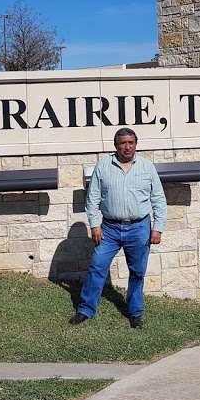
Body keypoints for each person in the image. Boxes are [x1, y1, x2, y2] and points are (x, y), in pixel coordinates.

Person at [71, 128, 167, 329]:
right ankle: (86, 309)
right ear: (116, 145)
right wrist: (95, 225)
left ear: (136, 144)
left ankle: (135, 313)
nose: (127, 147)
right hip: (110, 229)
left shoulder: (147, 167)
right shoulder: (104, 165)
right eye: (123, 143)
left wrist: (157, 228)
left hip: (139, 228)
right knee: (97, 266)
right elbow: (93, 198)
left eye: (131, 142)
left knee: (137, 272)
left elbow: (158, 198)